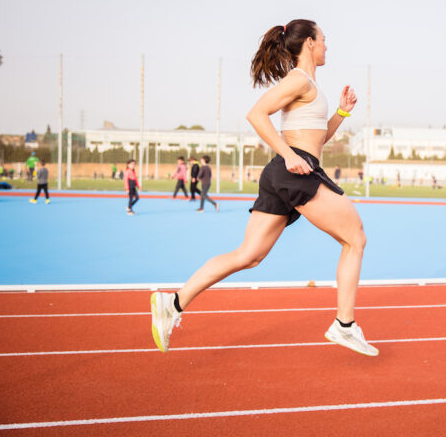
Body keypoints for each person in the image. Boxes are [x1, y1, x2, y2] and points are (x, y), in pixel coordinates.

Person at [150, 19, 377, 357]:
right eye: (324, 39)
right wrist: (287, 155)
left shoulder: (308, 85)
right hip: (293, 169)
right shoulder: (299, 80)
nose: (328, 45)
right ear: (311, 43)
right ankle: (344, 326)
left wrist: (342, 112)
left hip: (287, 170)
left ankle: (173, 303)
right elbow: (257, 114)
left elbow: (317, 140)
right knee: (355, 238)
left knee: (249, 255)